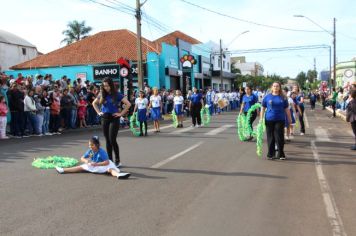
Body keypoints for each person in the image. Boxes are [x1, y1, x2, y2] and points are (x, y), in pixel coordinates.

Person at [92, 77, 131, 167]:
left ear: (111, 85)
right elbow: (94, 103)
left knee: (112, 140)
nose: (106, 87)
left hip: (114, 118)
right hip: (105, 118)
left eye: (108, 86)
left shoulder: (116, 94)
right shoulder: (101, 94)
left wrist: (121, 114)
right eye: (104, 86)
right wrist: (99, 112)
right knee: (107, 141)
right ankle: (110, 161)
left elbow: (128, 104)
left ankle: (117, 160)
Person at [55, 136, 130, 179]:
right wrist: (86, 161)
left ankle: (118, 175)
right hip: (94, 164)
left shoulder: (102, 151)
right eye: (89, 145)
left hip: (103, 165)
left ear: (97, 145)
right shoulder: (90, 151)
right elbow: (82, 158)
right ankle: (63, 170)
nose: (90, 146)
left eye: (92, 145)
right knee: (80, 167)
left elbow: (106, 162)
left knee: (110, 170)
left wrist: (96, 164)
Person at [260, 82, 292, 160]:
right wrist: (261, 118)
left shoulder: (283, 97)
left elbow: (287, 109)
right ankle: (271, 154)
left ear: (279, 87)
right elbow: (263, 108)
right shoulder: (267, 97)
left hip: (280, 119)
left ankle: (281, 154)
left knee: (279, 137)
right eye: (274, 86)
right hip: (269, 119)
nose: (275, 87)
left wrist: (289, 118)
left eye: (277, 86)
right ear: (272, 87)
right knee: (270, 137)